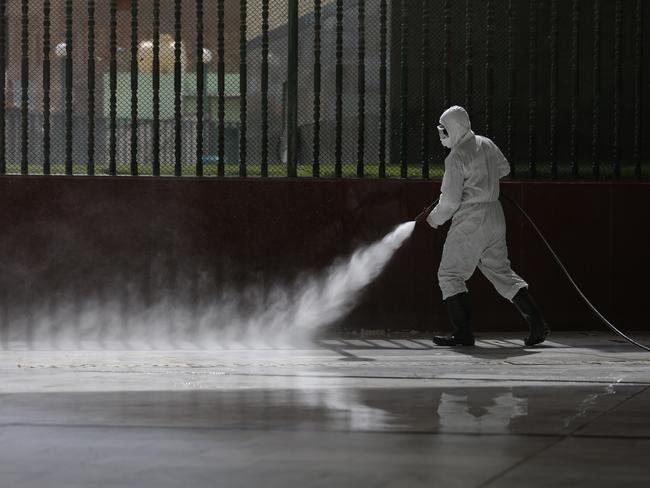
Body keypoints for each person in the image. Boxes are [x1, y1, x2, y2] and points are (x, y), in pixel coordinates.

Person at [416, 106, 550, 347]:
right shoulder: (486, 143)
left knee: (450, 274)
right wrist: (484, 179)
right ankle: (538, 324)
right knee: (501, 271)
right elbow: (504, 168)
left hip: (471, 218)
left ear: (455, 128)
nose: (442, 135)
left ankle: (463, 333)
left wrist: (432, 219)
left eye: (444, 130)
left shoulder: (456, 157)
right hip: (494, 214)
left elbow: (450, 202)